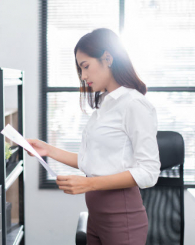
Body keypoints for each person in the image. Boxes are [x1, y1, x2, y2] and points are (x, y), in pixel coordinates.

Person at [26, 28, 161, 245]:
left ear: (107, 58)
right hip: (96, 216)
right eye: (80, 70)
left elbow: (149, 172)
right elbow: (93, 162)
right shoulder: (106, 105)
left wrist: (89, 184)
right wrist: (48, 150)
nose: (83, 76)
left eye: (85, 66)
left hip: (122, 218)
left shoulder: (134, 104)